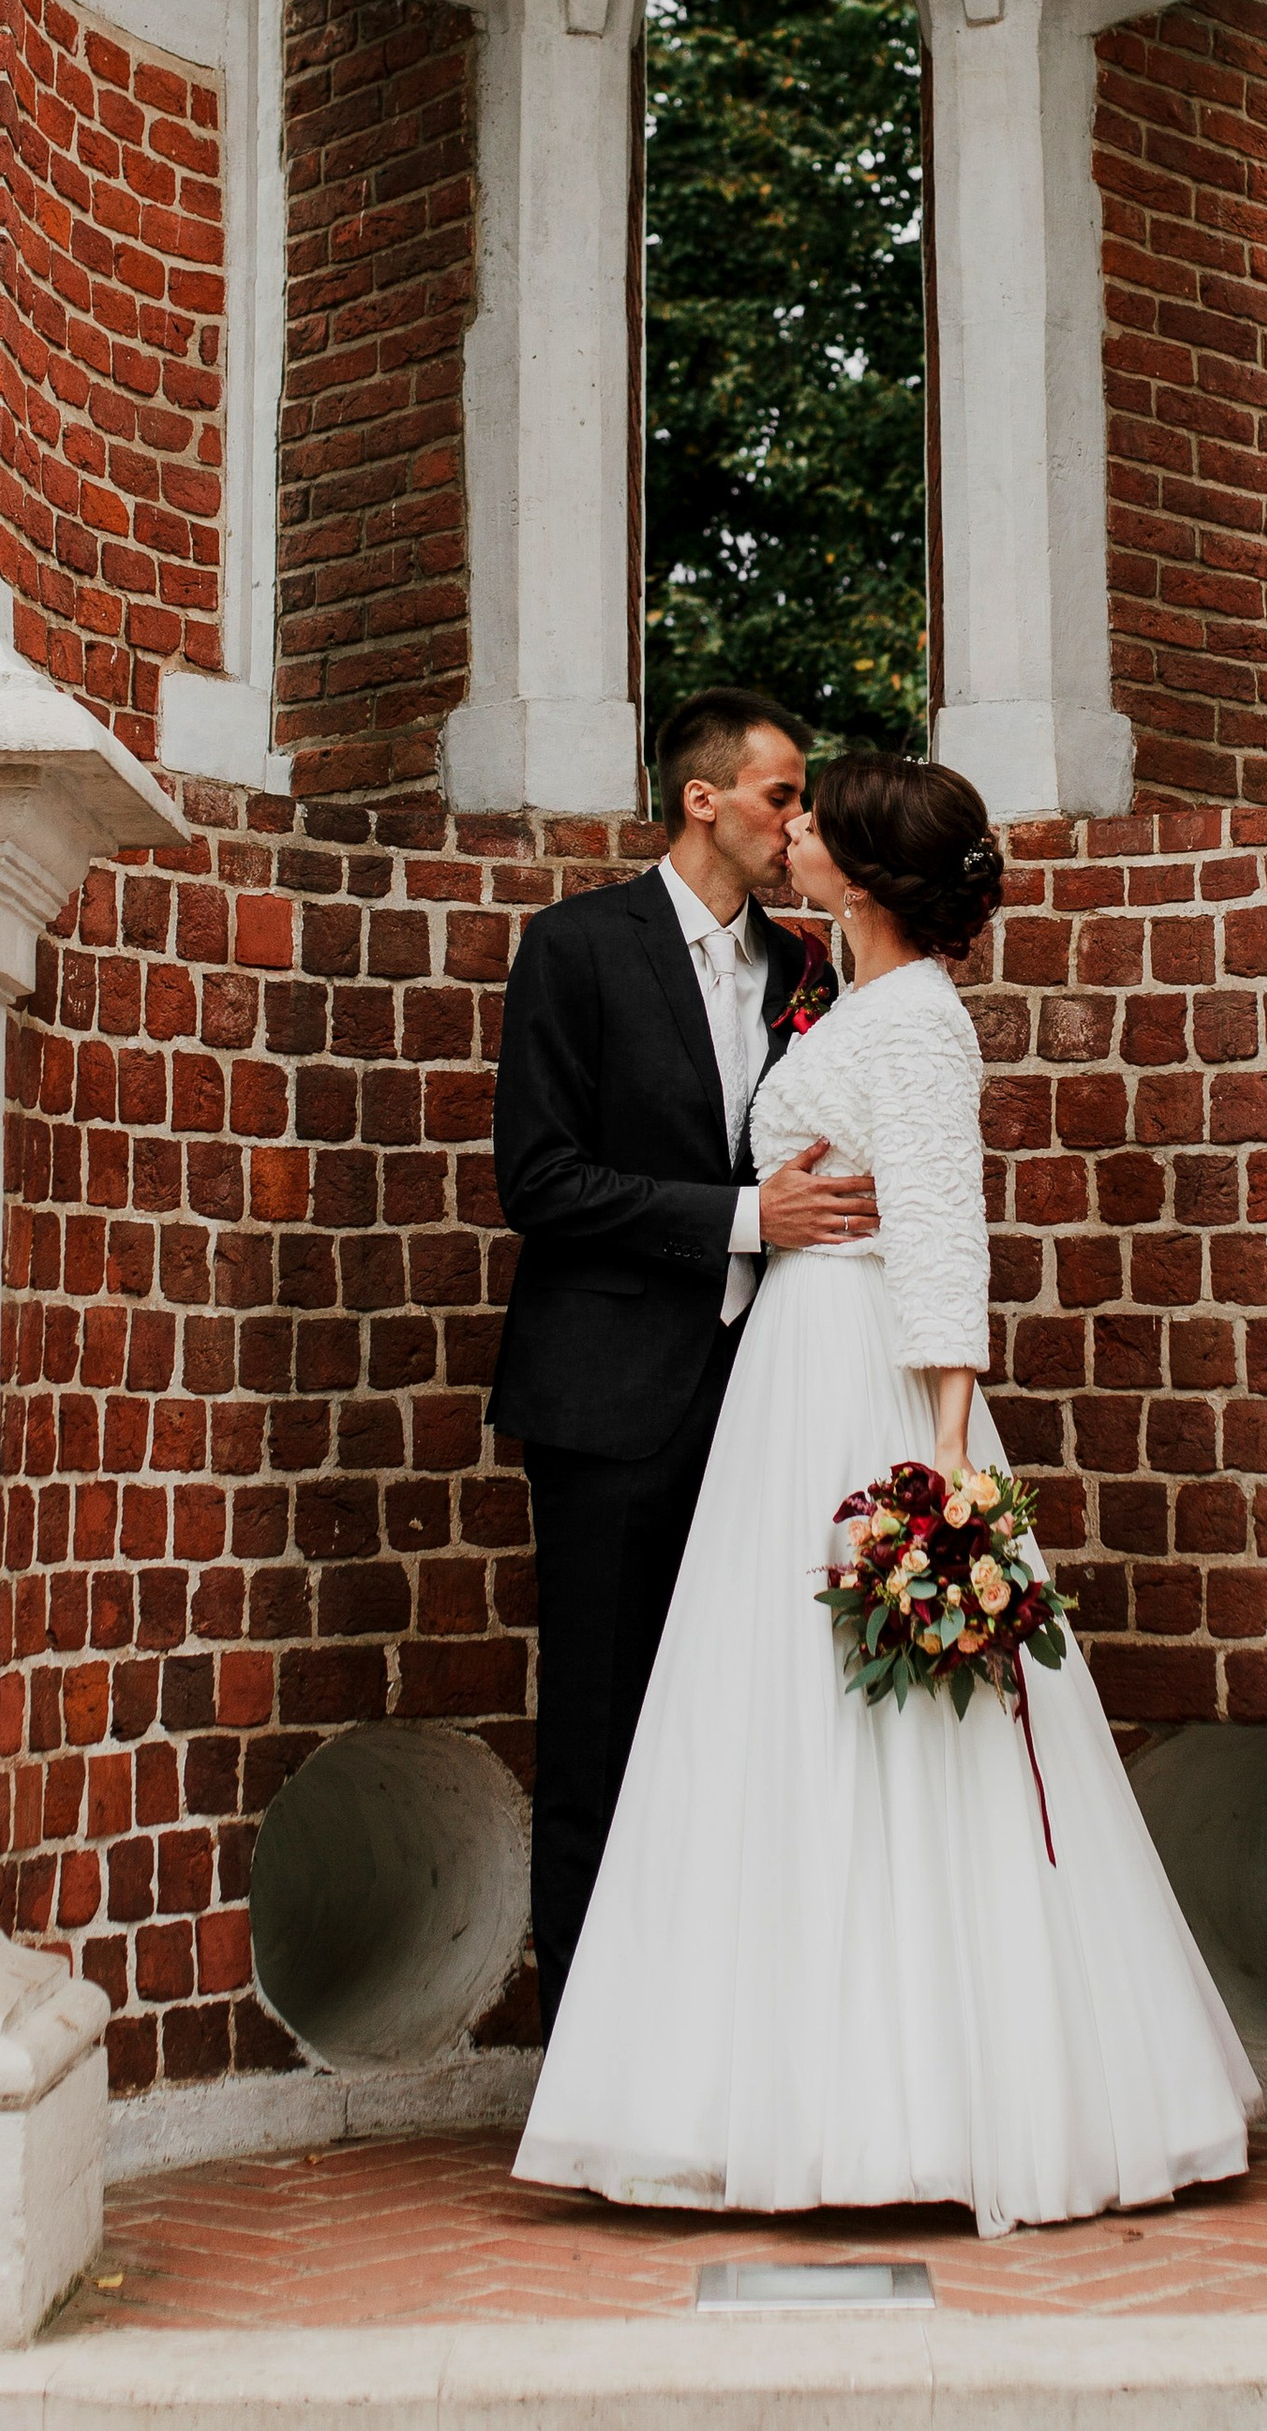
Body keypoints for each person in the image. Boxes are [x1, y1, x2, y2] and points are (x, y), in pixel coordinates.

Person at [514, 749, 1259, 2235]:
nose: (790, 837)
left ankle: (917, 2102)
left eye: (813, 824)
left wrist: (947, 1472)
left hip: (856, 1375)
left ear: (855, 872)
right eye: (780, 808)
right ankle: (754, 2082)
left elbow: (943, 1244)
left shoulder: (914, 1022)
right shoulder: (848, 994)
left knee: (894, 1737)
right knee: (767, 1730)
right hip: (781, 1378)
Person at [487, 686, 883, 2033]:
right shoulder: (574, 948)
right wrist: (737, 1220)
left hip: (765, 1401)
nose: (799, 819)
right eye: (782, 793)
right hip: (607, 1407)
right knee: (598, 1730)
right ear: (703, 798)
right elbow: (536, 1181)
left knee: (744, 1722)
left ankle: (721, 2037)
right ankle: (589, 2053)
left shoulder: (805, 974)